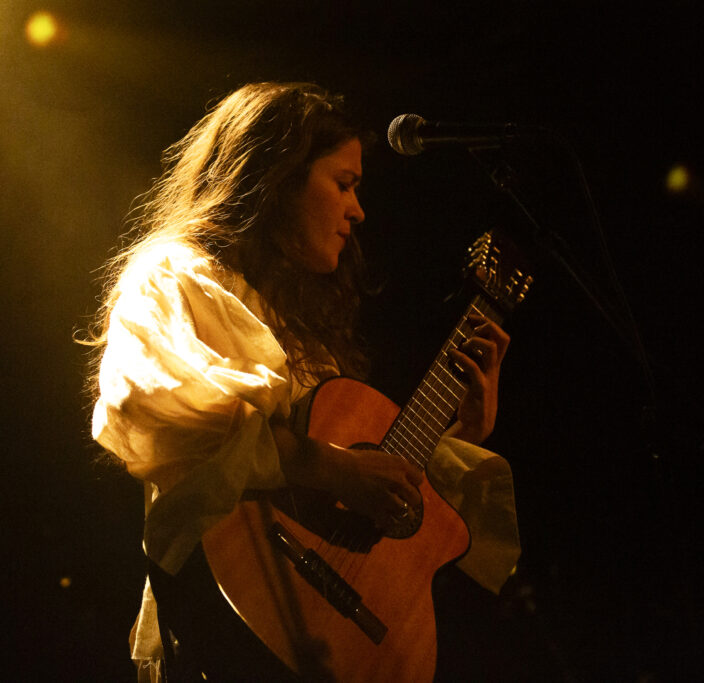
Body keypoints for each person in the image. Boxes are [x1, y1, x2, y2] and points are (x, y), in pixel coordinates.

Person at [87, 82, 520, 682]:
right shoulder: (177, 276)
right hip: (225, 632)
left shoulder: (304, 331)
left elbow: (351, 508)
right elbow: (167, 409)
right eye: (343, 183)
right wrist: (331, 466)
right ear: (277, 176)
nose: (358, 210)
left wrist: (461, 430)